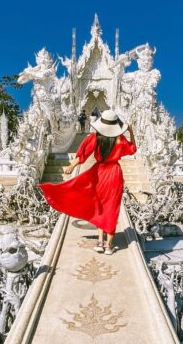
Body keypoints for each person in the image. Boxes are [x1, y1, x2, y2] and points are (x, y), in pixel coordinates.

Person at [38, 109, 137, 255]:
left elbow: (83, 155)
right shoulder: (120, 139)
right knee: (111, 207)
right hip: (114, 173)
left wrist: (72, 166)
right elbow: (133, 149)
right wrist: (131, 132)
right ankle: (109, 246)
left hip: (99, 172)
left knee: (99, 206)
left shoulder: (95, 137)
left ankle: (100, 242)